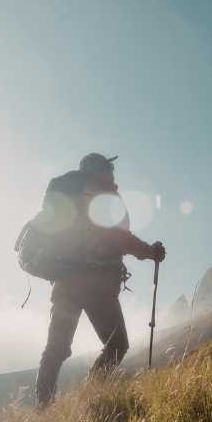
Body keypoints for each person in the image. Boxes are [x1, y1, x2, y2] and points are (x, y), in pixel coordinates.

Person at [32, 152, 166, 407]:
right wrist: (151, 252)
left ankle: (43, 408)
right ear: (101, 169)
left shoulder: (68, 195)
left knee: (55, 349)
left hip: (64, 283)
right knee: (117, 344)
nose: (113, 173)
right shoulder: (103, 195)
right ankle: (91, 395)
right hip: (97, 286)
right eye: (109, 167)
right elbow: (120, 239)